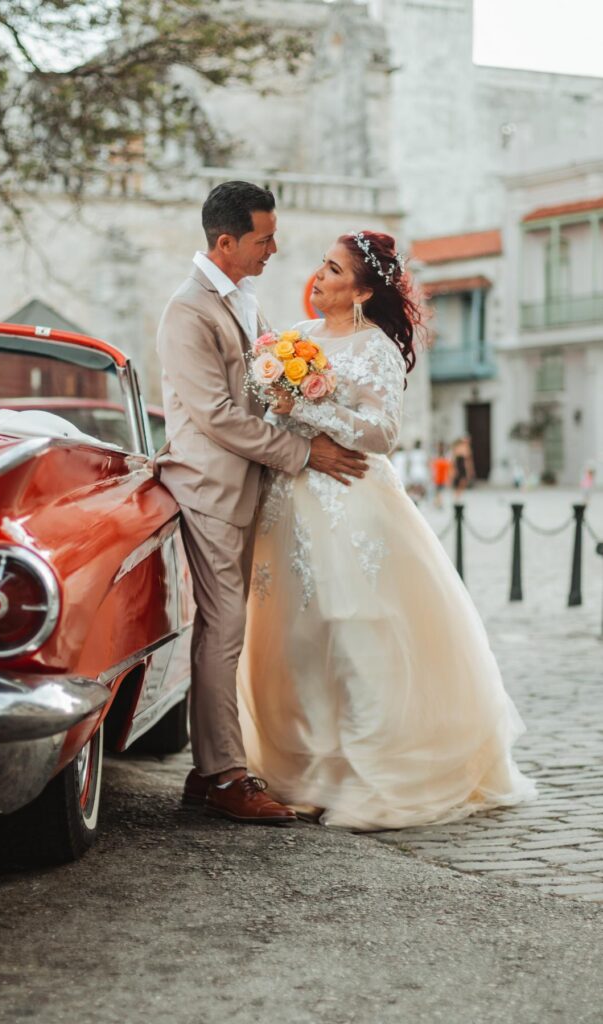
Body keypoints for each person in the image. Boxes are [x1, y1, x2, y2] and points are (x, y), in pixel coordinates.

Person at [237, 230, 536, 830]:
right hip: (286, 504)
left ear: (362, 291)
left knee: (353, 632)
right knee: (292, 639)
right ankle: (303, 775)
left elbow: (382, 433)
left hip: (351, 503)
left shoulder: (376, 348)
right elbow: (269, 413)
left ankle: (369, 777)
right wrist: (282, 406)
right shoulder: (294, 337)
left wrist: (309, 406)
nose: (319, 276)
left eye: (334, 269)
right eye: (322, 265)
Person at [156, 181, 367, 826]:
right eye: (264, 239)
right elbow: (218, 416)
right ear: (226, 242)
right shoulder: (188, 312)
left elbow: (268, 382)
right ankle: (223, 776)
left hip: (250, 486)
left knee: (232, 630)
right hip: (212, 489)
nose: (274, 250)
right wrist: (305, 453)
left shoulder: (243, 297)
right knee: (223, 631)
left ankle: (209, 772)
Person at [407, 439, 429, 504]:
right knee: (420, 486)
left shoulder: (412, 453)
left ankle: (415, 497)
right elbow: (425, 463)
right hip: (421, 471)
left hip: (414, 470)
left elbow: (410, 463)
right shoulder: (423, 453)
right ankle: (418, 498)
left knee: (414, 486)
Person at [431, 441, 452, 508]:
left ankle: (438, 502)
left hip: (440, 477)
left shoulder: (441, 458)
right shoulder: (442, 459)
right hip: (440, 477)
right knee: (438, 491)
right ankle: (438, 502)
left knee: (439, 491)